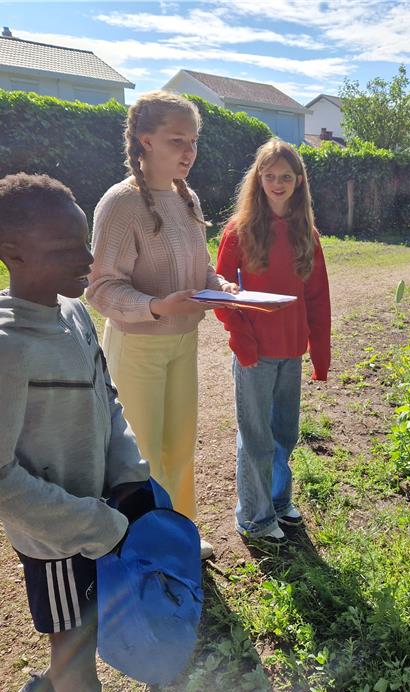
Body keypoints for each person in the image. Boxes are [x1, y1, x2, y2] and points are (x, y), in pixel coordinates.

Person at [0, 173, 150, 692]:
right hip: (58, 542)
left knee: (89, 630)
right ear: (11, 253)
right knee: (76, 658)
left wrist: (132, 477)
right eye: (66, 248)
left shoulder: (75, 313)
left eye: (85, 241)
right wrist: (89, 523)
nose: (87, 259)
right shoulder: (8, 348)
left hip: (98, 519)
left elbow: (106, 396)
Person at [87, 91, 232, 559]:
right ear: (145, 141)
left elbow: (199, 269)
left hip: (183, 343)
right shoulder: (120, 204)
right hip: (138, 349)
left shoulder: (188, 199)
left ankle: (179, 531)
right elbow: (102, 288)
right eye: (176, 140)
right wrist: (155, 307)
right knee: (140, 453)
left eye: (193, 141)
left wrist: (220, 284)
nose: (188, 152)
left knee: (180, 445)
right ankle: (141, 544)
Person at [214, 138, 331, 543]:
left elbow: (317, 298)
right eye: (269, 176)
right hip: (254, 355)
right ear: (257, 180)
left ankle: (279, 502)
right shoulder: (238, 230)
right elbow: (220, 293)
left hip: (290, 352)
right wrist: (242, 342)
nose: (277, 184)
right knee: (256, 438)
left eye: (286, 177)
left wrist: (319, 353)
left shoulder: (306, 233)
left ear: (299, 182)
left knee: (284, 433)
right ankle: (255, 517)